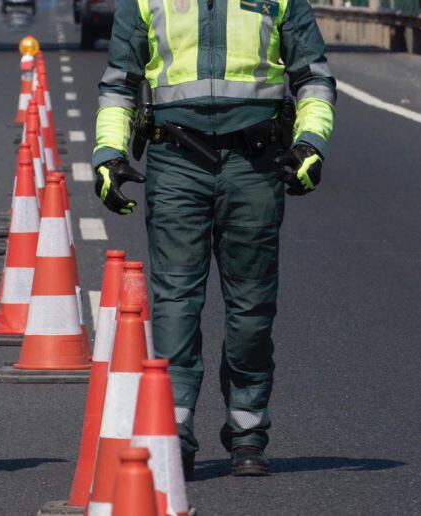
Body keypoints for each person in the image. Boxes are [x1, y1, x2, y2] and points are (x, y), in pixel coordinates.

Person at [92, 0, 336, 478]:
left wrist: (311, 143)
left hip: (255, 162)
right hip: (176, 160)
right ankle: (173, 432)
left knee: (251, 308)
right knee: (176, 302)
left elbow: (314, 79)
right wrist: (109, 152)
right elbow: (119, 82)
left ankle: (248, 432)